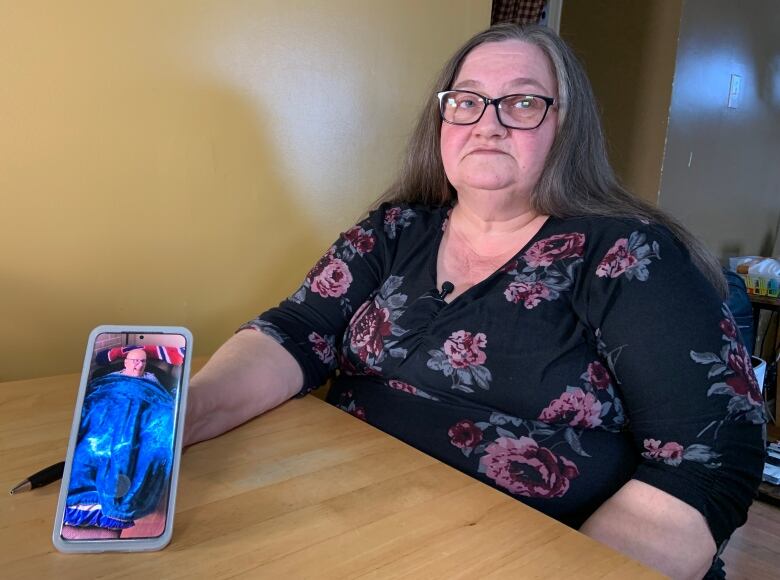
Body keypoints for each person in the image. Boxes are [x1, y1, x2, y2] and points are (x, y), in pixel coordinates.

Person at [184, 24, 764, 579]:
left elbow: (709, 461)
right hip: (346, 516)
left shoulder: (631, 256)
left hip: (519, 554)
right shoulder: (395, 229)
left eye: (523, 102)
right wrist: (182, 417)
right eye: (467, 101)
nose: (488, 124)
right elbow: (295, 332)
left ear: (568, 128)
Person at [62, 347, 174, 539]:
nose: (139, 365)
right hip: (109, 401)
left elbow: (166, 397)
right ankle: (83, 499)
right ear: (125, 362)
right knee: (89, 445)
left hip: (143, 403)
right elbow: (97, 380)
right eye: (135, 360)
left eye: (143, 362)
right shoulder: (107, 374)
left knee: (142, 444)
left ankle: (118, 502)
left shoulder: (156, 379)